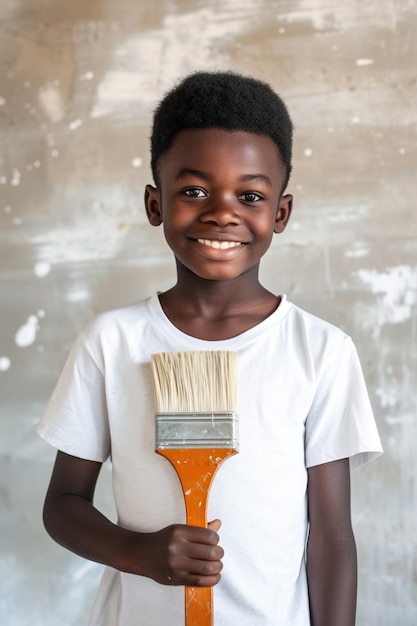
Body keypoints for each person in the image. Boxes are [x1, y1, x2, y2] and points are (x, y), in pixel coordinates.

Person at [37, 71, 383, 626]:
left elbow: (331, 537)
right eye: (194, 190)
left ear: (281, 213)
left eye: (250, 195)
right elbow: (63, 507)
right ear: (155, 204)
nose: (222, 212)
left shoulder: (321, 350)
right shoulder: (112, 342)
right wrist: (141, 554)